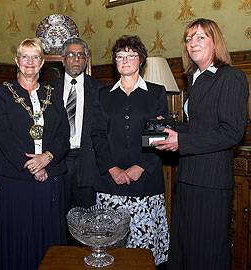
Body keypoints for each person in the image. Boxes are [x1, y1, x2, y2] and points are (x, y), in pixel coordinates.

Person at [153, 18, 249, 269]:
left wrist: (181, 140)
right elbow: (200, 127)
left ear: (215, 41)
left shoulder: (231, 77)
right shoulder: (195, 79)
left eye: (200, 37)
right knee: (184, 250)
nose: (192, 43)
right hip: (187, 178)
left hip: (211, 182)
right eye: (188, 39)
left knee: (207, 253)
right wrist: (171, 128)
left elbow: (231, 132)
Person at [91, 35, 169, 268]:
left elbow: (158, 134)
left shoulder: (156, 92)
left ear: (141, 60)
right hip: (110, 183)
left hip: (146, 182)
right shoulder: (103, 94)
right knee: (111, 250)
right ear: (115, 62)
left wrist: (140, 166)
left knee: (143, 252)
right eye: (120, 56)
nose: (125, 60)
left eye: (131, 55)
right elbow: (97, 134)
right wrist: (113, 169)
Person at [0, 38, 69, 270]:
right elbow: (2, 135)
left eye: (35, 57)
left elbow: (63, 134)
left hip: (51, 176)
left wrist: (46, 158)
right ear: (17, 61)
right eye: (24, 56)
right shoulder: (1, 92)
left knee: (48, 236)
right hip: (16, 179)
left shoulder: (52, 93)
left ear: (42, 62)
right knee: (18, 235)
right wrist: (32, 165)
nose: (29, 62)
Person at [50, 38, 103, 215]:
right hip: (58, 160)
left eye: (80, 55)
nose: (76, 59)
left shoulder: (100, 90)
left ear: (86, 59)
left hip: (88, 160)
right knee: (57, 215)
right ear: (63, 59)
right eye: (71, 55)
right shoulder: (48, 90)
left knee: (87, 219)